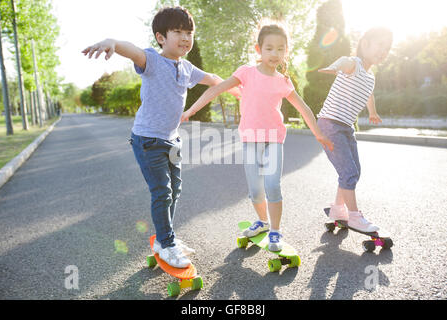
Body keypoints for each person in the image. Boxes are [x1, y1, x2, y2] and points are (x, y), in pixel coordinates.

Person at [82, 6, 240, 268]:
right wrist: (112, 42)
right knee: (162, 192)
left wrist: (234, 87)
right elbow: (130, 49)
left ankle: (165, 239)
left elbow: (212, 79)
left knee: (175, 190)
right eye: (177, 31)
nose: (185, 38)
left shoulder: (187, 68)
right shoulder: (152, 61)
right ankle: (166, 243)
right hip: (147, 140)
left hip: (172, 139)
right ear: (160, 37)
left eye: (189, 32)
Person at [182, 24, 334, 251]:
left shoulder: (283, 81)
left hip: (274, 139)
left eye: (281, 49)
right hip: (250, 140)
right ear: (258, 49)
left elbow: (304, 108)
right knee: (255, 191)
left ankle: (275, 231)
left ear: (286, 52)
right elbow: (216, 89)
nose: (275, 54)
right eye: (270, 48)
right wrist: (191, 110)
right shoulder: (246, 73)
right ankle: (262, 222)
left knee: (273, 185)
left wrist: (319, 134)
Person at [317, 27, 393, 232]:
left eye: (387, 49)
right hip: (330, 124)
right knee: (348, 172)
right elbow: (344, 62)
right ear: (365, 43)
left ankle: (337, 209)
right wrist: (334, 67)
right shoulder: (355, 64)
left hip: (346, 126)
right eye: (380, 45)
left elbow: (369, 94)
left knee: (354, 171)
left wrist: (373, 112)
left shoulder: (370, 77)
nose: (383, 52)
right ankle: (354, 216)